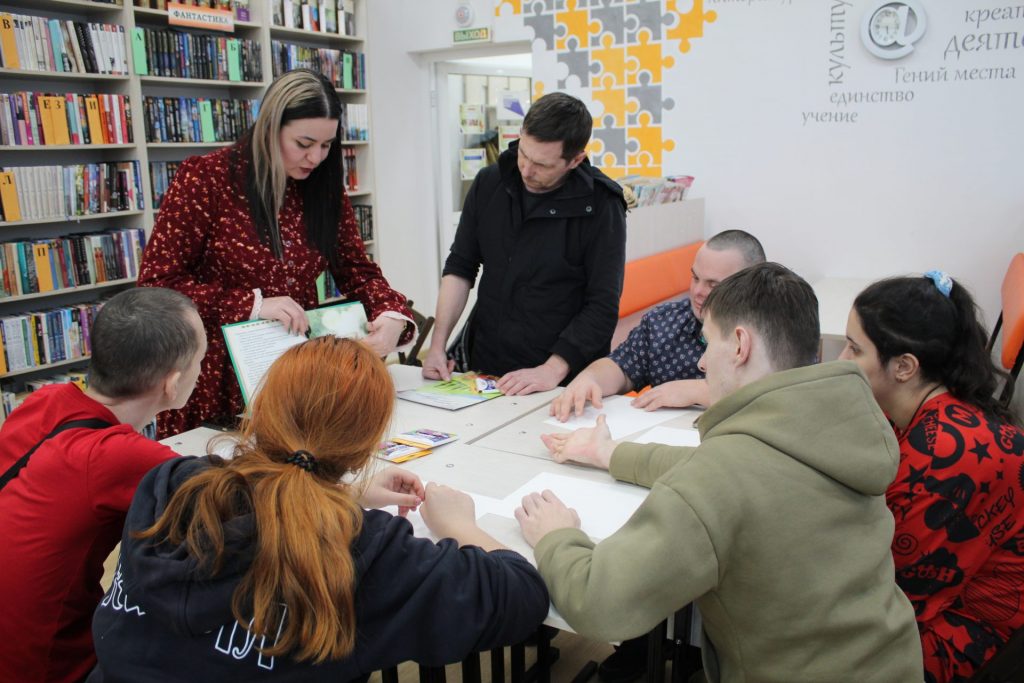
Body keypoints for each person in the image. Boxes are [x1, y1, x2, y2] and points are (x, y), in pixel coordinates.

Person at [519, 263, 924, 682]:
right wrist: (610, 453)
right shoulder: (837, 426)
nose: (700, 361)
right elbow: (735, 471)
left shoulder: (724, 471)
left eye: (708, 341)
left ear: (740, 346)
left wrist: (555, 536)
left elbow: (599, 605)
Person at [89, 336, 549, 681]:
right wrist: (459, 524)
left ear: (262, 412)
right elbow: (521, 595)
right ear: (365, 450)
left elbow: (256, 510)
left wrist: (342, 494)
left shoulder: (170, 485)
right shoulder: (359, 548)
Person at [139, 69, 412, 438]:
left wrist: (392, 315)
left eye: (327, 145)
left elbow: (357, 270)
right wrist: (251, 305)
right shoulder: (205, 179)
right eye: (303, 143)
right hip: (212, 377)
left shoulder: (323, 190)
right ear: (270, 128)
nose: (315, 157)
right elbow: (157, 286)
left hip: (295, 375)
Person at [0, 287, 208, 683]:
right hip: (46, 666)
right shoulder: (116, 456)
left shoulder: (44, 400)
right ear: (172, 383)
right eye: (200, 359)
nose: (201, 369)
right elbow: (233, 496)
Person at [838, 272, 1024, 683]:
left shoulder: (941, 458)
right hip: (939, 603)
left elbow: (892, 593)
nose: (841, 361)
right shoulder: (923, 407)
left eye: (855, 349)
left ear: (904, 366)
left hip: (960, 637)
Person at [423, 92, 627, 396]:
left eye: (542, 165)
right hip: (487, 365)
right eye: (523, 154)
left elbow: (602, 305)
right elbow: (460, 267)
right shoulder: (489, 182)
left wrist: (552, 370)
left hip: (562, 377)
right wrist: (437, 346)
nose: (527, 170)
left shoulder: (601, 205)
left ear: (575, 160)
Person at [550, 229, 765, 423]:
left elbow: (773, 397)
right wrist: (590, 379)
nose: (698, 291)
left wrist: (699, 391)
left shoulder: (772, 330)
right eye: (695, 278)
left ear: (750, 286)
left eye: (713, 285)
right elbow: (622, 366)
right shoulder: (664, 322)